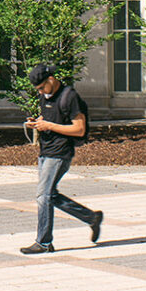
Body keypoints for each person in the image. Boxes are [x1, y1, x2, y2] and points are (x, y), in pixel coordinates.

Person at [20, 63, 103, 254]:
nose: (40, 92)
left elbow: (79, 129)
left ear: (51, 79)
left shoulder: (69, 96)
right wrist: (38, 123)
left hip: (60, 153)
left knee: (43, 196)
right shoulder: (45, 96)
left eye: (42, 87)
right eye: (38, 89)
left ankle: (44, 242)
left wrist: (49, 126)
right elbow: (51, 118)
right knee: (50, 195)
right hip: (46, 150)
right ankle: (91, 218)